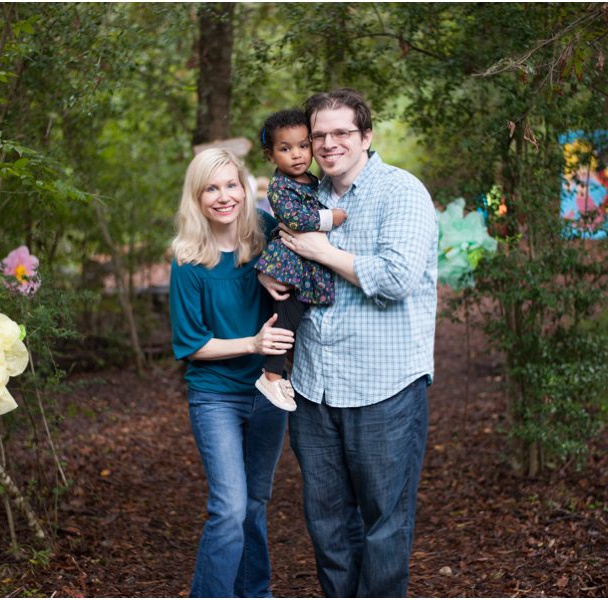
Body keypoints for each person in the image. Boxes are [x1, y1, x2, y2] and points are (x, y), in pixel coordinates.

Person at [259, 88, 438, 597]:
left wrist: (325, 251)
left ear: (366, 136)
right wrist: (267, 275)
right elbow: (281, 249)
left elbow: (398, 277)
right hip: (314, 390)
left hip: (385, 388)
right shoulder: (307, 196)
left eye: (341, 133)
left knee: (385, 523)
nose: (329, 143)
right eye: (319, 135)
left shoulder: (400, 192)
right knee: (328, 524)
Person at [169, 147, 295, 598]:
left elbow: (303, 265)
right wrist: (253, 344)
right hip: (216, 396)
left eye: (231, 185)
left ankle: (254, 593)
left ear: (245, 188)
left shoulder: (265, 233)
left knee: (254, 505)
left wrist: (268, 269)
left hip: (269, 392)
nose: (224, 196)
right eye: (211, 188)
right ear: (197, 197)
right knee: (229, 507)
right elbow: (191, 344)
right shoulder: (188, 259)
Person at [254, 109, 347, 411]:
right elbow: (293, 218)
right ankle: (270, 376)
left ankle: (286, 370)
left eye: (303, 146)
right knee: (287, 319)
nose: (297, 155)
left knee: (297, 319)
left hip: (302, 262)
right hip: (289, 265)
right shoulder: (280, 186)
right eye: (285, 148)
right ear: (271, 155)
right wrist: (328, 218)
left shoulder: (312, 179)